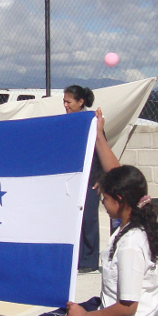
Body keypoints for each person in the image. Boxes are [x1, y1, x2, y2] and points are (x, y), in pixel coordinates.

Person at [32, 163, 158, 316]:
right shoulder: (149, 218)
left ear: (120, 199)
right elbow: (126, 176)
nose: (102, 202)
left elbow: (128, 306)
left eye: (105, 198)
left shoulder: (131, 244)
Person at [64, 85, 121, 273]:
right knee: (72, 219)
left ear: (81, 102)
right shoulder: (67, 121)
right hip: (73, 178)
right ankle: (75, 258)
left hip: (90, 180)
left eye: (69, 102)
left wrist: (100, 177)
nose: (66, 105)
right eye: (64, 102)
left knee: (88, 219)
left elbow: (100, 149)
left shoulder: (92, 122)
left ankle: (89, 260)